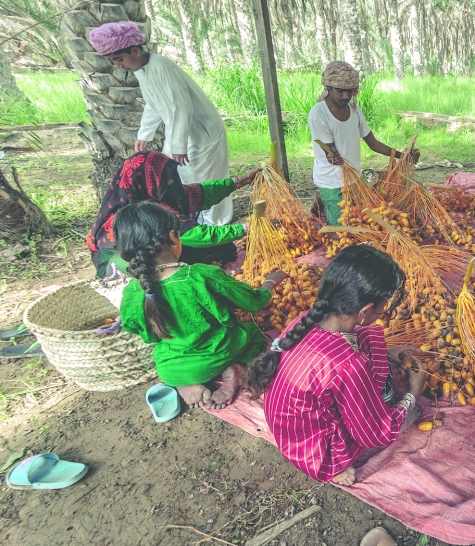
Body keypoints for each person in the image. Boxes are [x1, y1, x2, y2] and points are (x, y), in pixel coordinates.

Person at [245, 245, 426, 486]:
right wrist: (413, 393)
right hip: (315, 451)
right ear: (364, 311)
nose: (384, 311)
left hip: (290, 426)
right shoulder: (347, 366)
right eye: (383, 306)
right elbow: (373, 433)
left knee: (369, 338)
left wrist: (388, 352)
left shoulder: (306, 320)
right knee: (389, 414)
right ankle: (335, 467)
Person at [115, 201, 286, 410]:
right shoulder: (201, 276)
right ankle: (236, 369)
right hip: (218, 355)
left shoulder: (132, 291)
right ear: (173, 237)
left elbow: (136, 328)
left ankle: (185, 384)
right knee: (252, 333)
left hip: (171, 368)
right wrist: (269, 282)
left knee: (170, 354)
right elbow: (254, 302)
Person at [89, 21, 233, 226]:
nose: (118, 65)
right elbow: (153, 103)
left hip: (201, 131)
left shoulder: (162, 66)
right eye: (114, 61)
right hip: (179, 131)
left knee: (206, 176)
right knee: (181, 175)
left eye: (120, 59)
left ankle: (217, 224)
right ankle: (194, 222)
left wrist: (178, 145)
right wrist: (144, 134)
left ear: (136, 51)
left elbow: (182, 107)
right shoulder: (141, 70)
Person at [87, 151, 259, 278]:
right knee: (221, 249)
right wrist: (247, 228)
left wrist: (238, 182)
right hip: (123, 265)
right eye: (167, 181)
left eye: (171, 178)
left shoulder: (152, 193)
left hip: (150, 253)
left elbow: (194, 192)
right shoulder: (147, 211)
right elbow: (196, 235)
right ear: (149, 181)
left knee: (220, 247)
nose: (171, 183)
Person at [308, 61, 419, 226]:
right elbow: (329, 153)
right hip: (331, 179)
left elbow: (373, 143)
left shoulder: (354, 111)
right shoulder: (318, 114)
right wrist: (332, 156)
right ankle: (324, 197)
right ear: (328, 88)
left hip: (354, 177)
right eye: (340, 91)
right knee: (344, 227)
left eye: (350, 91)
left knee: (366, 219)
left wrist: (401, 156)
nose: (345, 96)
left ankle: (322, 200)